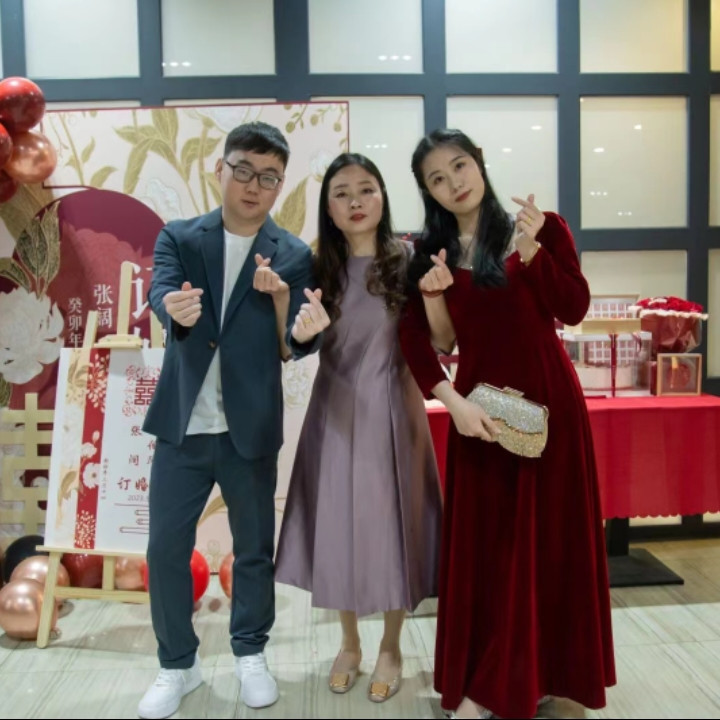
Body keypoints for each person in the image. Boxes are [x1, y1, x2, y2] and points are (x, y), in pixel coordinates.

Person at [398, 129, 616, 719]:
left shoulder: (541, 227)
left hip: (549, 409)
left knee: (544, 546)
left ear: (480, 162)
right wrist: (452, 402)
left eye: (459, 166)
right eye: (436, 179)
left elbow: (573, 309)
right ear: (427, 192)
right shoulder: (431, 253)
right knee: (490, 552)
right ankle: (490, 680)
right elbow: (427, 340)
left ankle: (528, 678)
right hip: (479, 415)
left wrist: (536, 250)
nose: (453, 183)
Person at [138, 122, 328, 720]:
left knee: (252, 550)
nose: (253, 185)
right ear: (220, 169)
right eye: (243, 169)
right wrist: (170, 307)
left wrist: (302, 328)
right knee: (166, 548)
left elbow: (292, 342)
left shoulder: (292, 254)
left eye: (269, 177)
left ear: (280, 186)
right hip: (183, 426)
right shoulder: (180, 236)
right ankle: (178, 664)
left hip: (250, 427)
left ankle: (250, 652)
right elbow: (161, 291)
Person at [274, 153, 442, 703]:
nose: (355, 202)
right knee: (338, 524)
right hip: (335, 412)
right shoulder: (315, 268)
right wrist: (296, 324)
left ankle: (391, 646)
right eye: (342, 193)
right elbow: (292, 344)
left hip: (396, 411)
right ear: (328, 208)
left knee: (395, 526)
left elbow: (441, 339)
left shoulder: (408, 261)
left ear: (383, 197)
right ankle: (349, 643)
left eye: (366, 189)